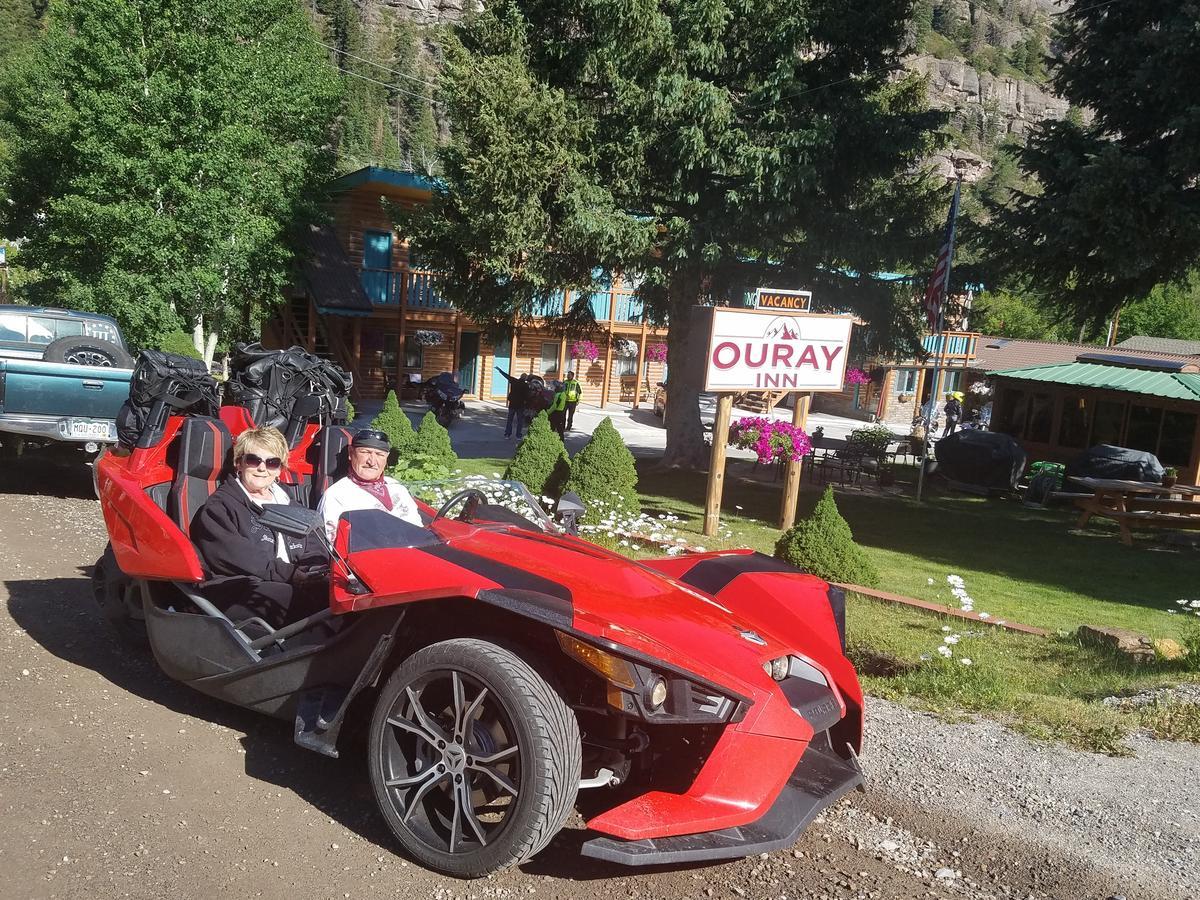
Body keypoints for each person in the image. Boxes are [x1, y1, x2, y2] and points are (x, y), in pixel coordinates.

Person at [192, 426, 329, 629]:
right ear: (239, 463)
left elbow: (315, 540)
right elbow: (239, 558)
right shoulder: (219, 507)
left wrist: (314, 568)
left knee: (337, 593)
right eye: (254, 460)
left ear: (280, 470)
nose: (262, 468)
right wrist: (291, 574)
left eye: (272, 462)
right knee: (295, 600)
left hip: (289, 578)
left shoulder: (288, 502)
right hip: (238, 586)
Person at [317, 428, 423, 540]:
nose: (372, 462)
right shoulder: (336, 495)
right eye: (365, 452)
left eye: (379, 454)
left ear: (386, 458)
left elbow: (418, 531)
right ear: (351, 453)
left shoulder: (397, 488)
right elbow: (331, 546)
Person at [497, 368, 528, 439]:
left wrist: (500, 371)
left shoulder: (514, 381)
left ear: (520, 376)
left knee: (509, 420)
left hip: (512, 404)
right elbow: (527, 396)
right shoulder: (526, 385)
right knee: (520, 421)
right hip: (520, 405)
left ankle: (507, 435)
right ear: (525, 378)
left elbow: (507, 376)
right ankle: (518, 436)